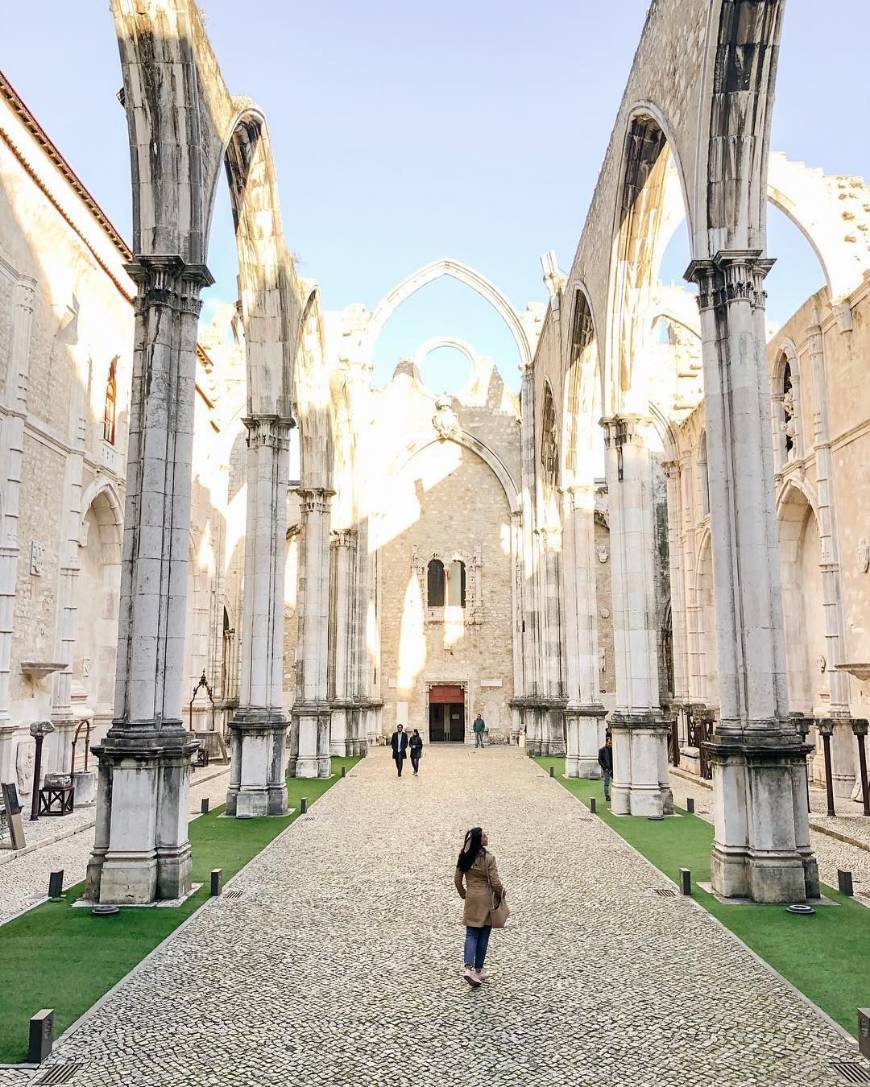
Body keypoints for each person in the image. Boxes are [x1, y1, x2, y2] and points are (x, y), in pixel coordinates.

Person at [454, 826, 504, 987]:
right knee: (483, 936)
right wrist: (501, 893)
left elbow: (457, 879)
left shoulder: (464, 855)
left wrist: (464, 894)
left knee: (471, 934)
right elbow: (495, 882)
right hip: (486, 899)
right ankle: (479, 969)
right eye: (484, 835)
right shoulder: (488, 858)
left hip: (471, 898)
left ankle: (468, 969)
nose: (487, 837)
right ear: (479, 840)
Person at [598, 732, 613, 802]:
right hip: (607, 769)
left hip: (613, 769)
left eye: (611, 743)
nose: (610, 744)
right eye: (609, 743)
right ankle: (607, 796)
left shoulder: (613, 750)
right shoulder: (602, 750)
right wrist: (604, 767)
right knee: (606, 783)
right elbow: (600, 760)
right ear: (606, 742)